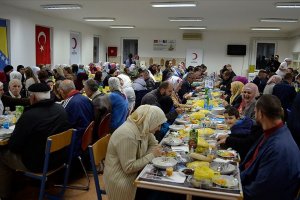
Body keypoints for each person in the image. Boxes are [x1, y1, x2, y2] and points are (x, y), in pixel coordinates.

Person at [0, 83, 70, 199]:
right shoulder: (60, 109)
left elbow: (14, 146)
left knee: (2, 155)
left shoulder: (29, 115)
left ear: (32, 97)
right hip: (60, 158)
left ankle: (4, 195)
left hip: (38, 163)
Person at [240, 95, 300, 200]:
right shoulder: (273, 132)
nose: (254, 112)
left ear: (261, 113)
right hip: (245, 184)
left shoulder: (278, 148)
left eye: (255, 111)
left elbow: (259, 192)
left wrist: (234, 190)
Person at [103, 105, 167, 200]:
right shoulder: (127, 135)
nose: (159, 129)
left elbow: (154, 145)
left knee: (162, 190)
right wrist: (152, 155)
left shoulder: (143, 126)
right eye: (158, 125)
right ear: (151, 121)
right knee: (160, 193)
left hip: (135, 172)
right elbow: (129, 168)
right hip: (121, 180)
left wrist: (146, 157)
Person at [59, 80, 94, 154]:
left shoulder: (69, 103)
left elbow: (63, 124)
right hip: (87, 138)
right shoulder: (85, 98)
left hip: (76, 142)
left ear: (61, 92)